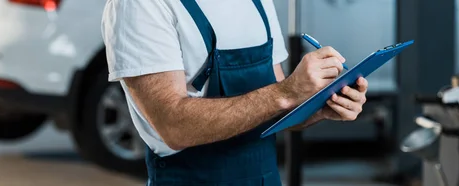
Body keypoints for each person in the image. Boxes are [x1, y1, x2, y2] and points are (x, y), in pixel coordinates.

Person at [101, 0, 369, 185]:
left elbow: (277, 109)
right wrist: (287, 92)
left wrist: (321, 105)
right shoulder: (138, 5)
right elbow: (172, 126)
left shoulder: (257, 2)